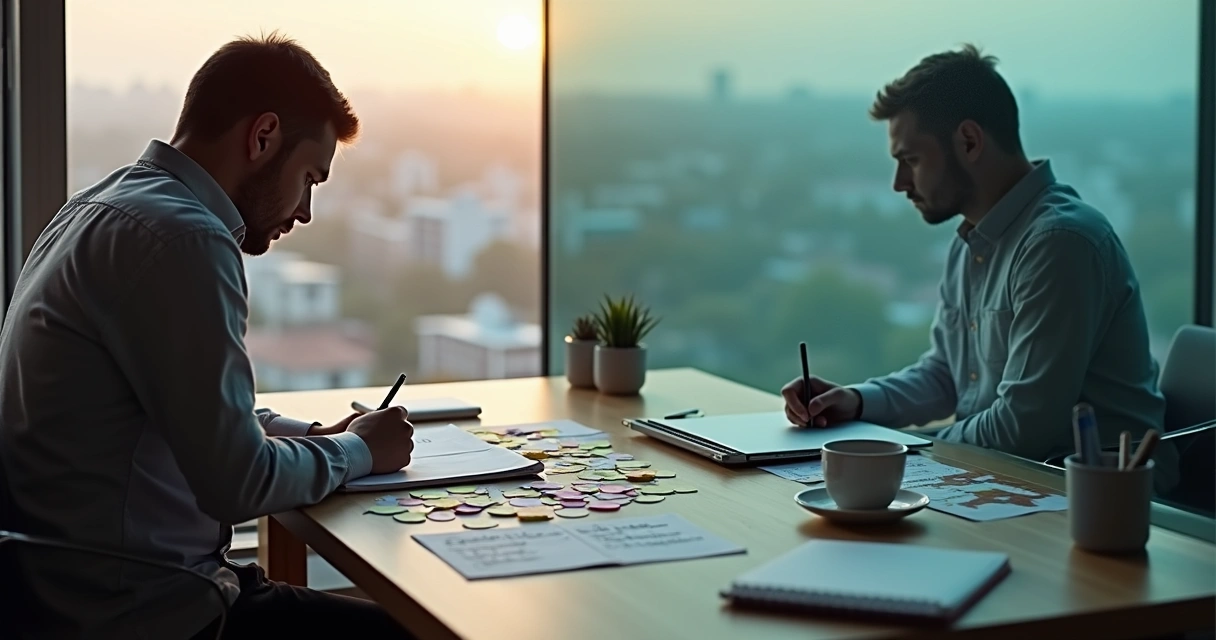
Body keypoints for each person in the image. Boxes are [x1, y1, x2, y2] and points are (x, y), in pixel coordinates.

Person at [0, 33, 415, 638]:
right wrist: (359, 452)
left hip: (65, 591)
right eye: (309, 179)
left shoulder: (95, 208)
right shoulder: (187, 239)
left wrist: (315, 437)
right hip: (143, 612)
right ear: (263, 136)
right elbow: (237, 482)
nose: (305, 211)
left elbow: (189, 414)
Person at [780, 44, 1177, 492]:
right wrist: (855, 403)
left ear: (969, 141)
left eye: (911, 160)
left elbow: (1023, 427)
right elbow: (947, 376)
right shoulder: (972, 241)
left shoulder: (1059, 243)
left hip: (1102, 501)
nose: (899, 183)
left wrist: (901, 452)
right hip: (1007, 483)